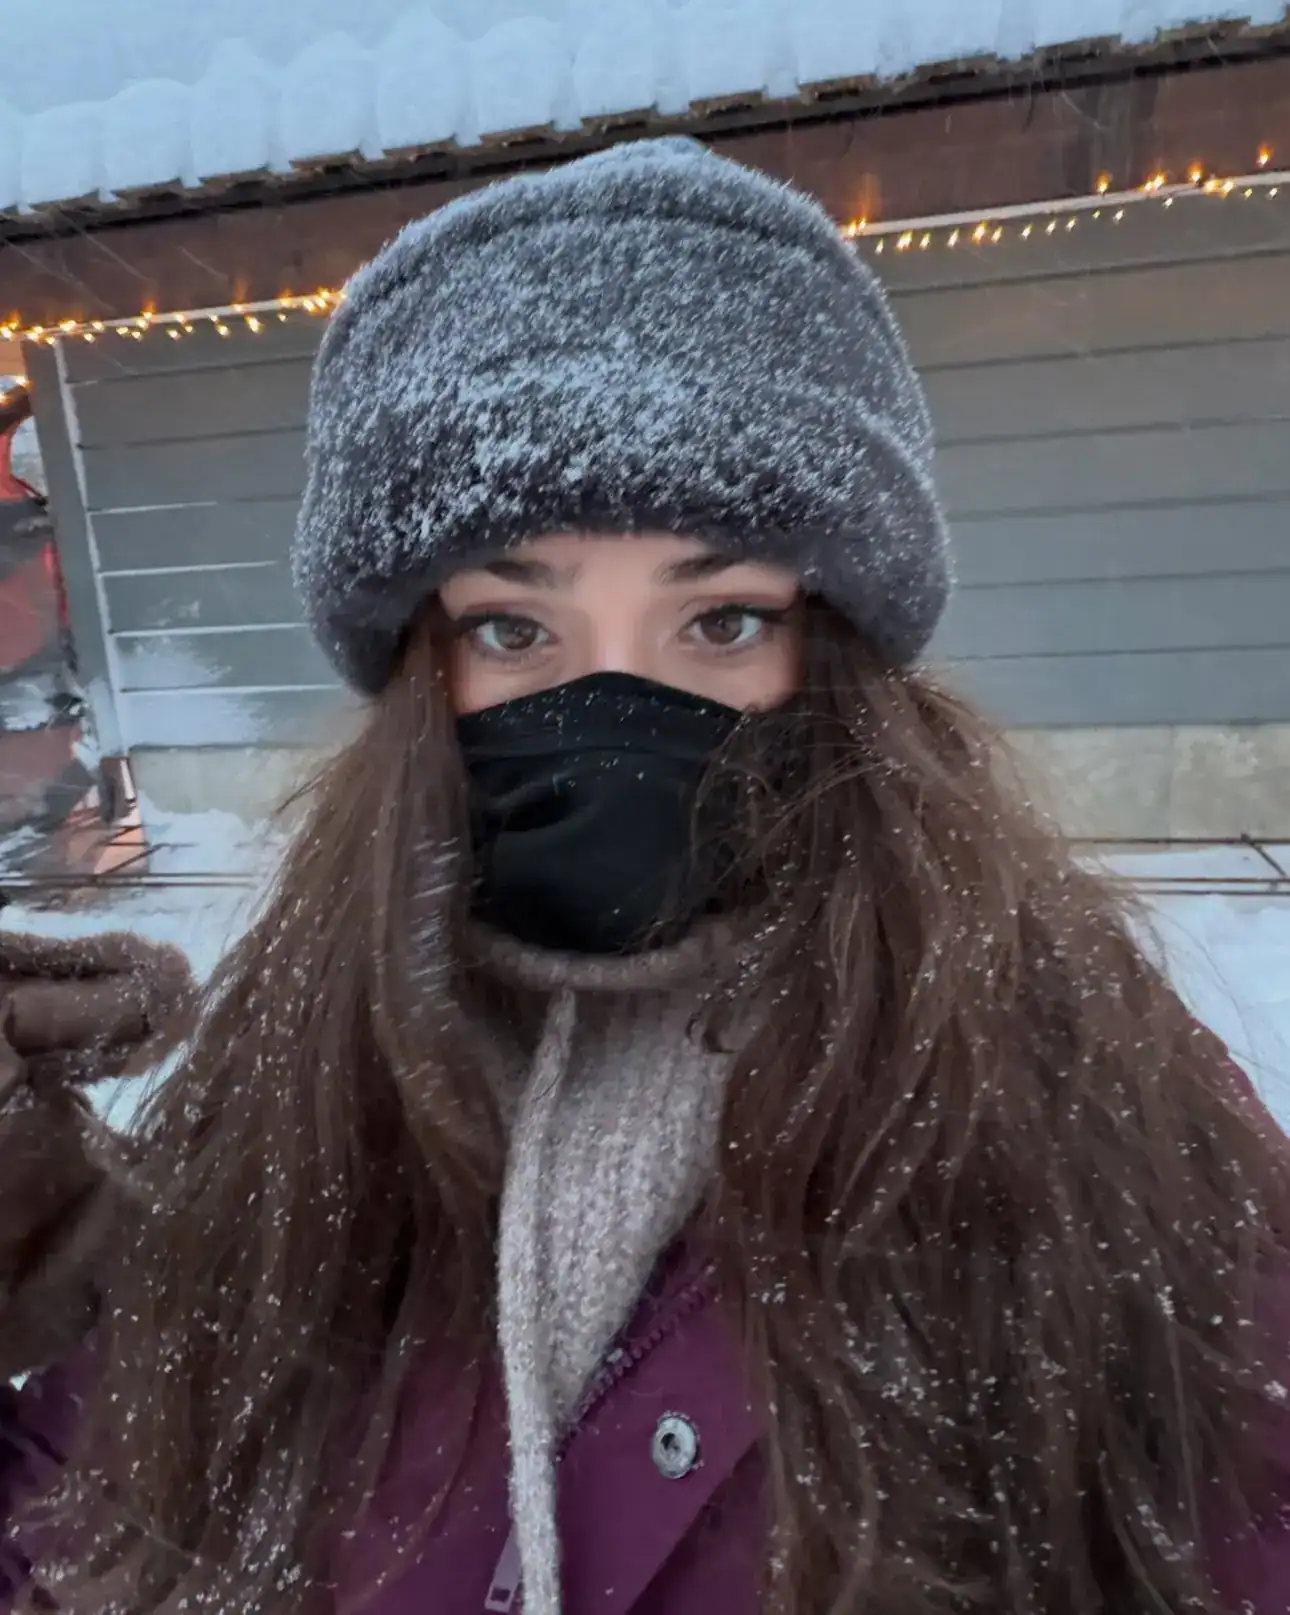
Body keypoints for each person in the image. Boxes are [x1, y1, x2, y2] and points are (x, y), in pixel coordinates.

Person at [0, 136, 1287, 1615]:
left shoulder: (1084, 1113)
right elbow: (73, 1549)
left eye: (721, 622)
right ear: (421, 674)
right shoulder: (307, 1088)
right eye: (515, 630)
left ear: (839, 656)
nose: (613, 703)